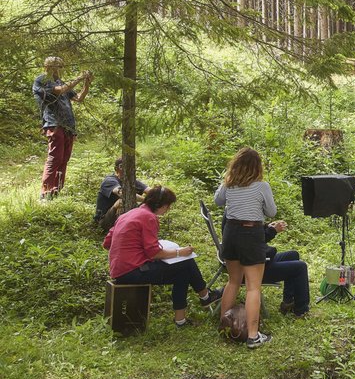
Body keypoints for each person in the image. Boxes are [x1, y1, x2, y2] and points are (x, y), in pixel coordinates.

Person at [104, 186, 223, 326]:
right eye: (168, 206)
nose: (168, 210)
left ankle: (182, 319)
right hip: (132, 271)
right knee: (187, 262)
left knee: (183, 271)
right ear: (162, 205)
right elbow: (154, 252)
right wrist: (180, 252)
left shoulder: (128, 214)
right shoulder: (149, 217)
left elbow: (107, 243)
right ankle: (205, 297)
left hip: (120, 269)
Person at [216, 147, 276, 349]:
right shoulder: (262, 186)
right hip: (251, 233)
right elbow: (271, 211)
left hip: (231, 232)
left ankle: (225, 325)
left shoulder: (229, 184)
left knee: (233, 281)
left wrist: (226, 180)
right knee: (253, 287)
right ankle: (253, 335)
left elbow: (218, 201)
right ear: (257, 167)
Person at [32, 56, 91, 200]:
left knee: (64, 159)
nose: (59, 69)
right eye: (57, 66)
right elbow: (59, 90)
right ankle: (45, 193)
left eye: (60, 66)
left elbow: (79, 98)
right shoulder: (41, 80)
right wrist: (78, 78)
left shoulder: (61, 82)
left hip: (68, 126)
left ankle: (56, 191)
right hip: (54, 123)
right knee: (55, 158)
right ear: (48, 66)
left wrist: (86, 83)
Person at [262, 220, 311, 317]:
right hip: (256, 268)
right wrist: (273, 230)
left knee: (293, 255)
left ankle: (288, 302)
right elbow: (254, 239)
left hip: (262, 260)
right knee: (300, 267)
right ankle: (301, 310)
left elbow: (255, 234)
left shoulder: (237, 217)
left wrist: (267, 226)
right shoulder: (242, 221)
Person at [94, 158, 149, 231]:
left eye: (130, 166)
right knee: (121, 202)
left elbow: (151, 191)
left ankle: (138, 227)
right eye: (122, 166)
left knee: (146, 204)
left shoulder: (132, 181)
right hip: (105, 220)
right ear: (116, 169)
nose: (126, 169)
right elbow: (123, 194)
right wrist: (146, 200)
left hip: (124, 219)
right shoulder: (109, 181)